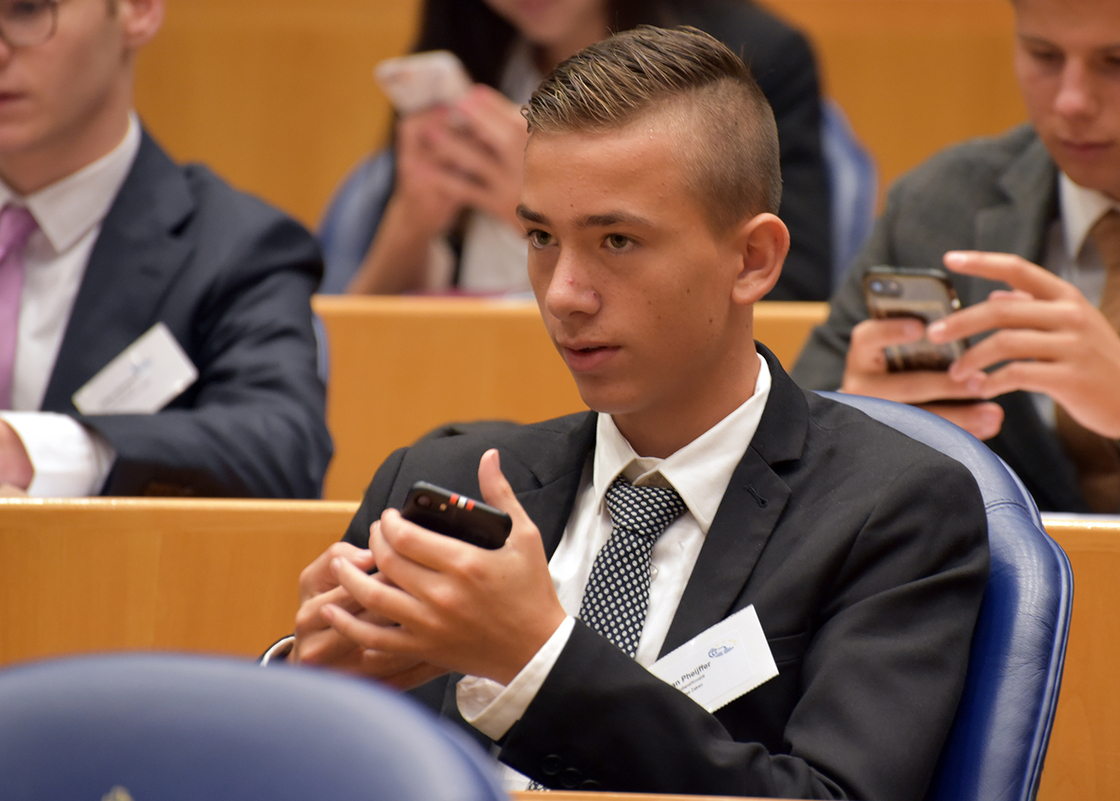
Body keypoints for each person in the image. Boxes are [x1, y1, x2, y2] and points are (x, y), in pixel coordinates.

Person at [272, 27, 989, 800]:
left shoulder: (893, 510)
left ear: (753, 260)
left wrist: (538, 659)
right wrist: (299, 689)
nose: (562, 293)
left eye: (616, 240)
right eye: (541, 236)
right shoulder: (443, 480)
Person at [792, 0, 1120, 520]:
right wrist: (854, 428)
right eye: (1044, 55)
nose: (1072, 101)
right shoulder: (939, 204)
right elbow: (782, 459)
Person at [0, 0, 332, 497]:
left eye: (27, 10)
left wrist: (29, 451)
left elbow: (281, 445)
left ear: (137, 11)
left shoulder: (238, 247)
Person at [321, 0, 832, 301]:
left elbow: (789, 299)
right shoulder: (461, 45)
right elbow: (364, 338)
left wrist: (543, 215)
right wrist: (413, 220)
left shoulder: (746, 54)